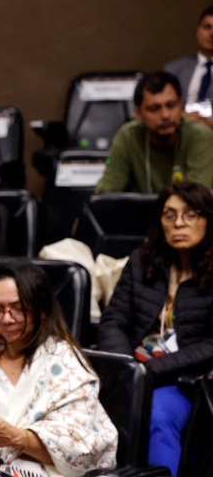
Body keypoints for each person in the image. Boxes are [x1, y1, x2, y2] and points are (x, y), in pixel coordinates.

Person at [0, 259, 118, 477]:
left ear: (41, 310)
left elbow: (85, 448)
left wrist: (18, 438)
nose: (6, 319)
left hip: (34, 470)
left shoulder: (63, 360)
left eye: (18, 309)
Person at [98, 180, 213, 475]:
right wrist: (126, 369)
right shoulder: (142, 261)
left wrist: (148, 372)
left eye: (191, 215)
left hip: (187, 380)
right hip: (133, 371)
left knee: (158, 416)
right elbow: (114, 321)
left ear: (207, 219)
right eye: (169, 214)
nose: (178, 223)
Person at [95, 71, 213, 194]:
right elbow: (105, 193)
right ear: (138, 114)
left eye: (171, 105)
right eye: (154, 108)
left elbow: (197, 198)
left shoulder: (200, 136)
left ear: (180, 106)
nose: (165, 115)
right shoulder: (128, 136)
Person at [164, 4, 213, 126]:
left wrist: (208, 122)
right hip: (180, 131)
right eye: (207, 27)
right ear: (197, 31)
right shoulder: (173, 69)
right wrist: (183, 117)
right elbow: (162, 105)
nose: (212, 33)